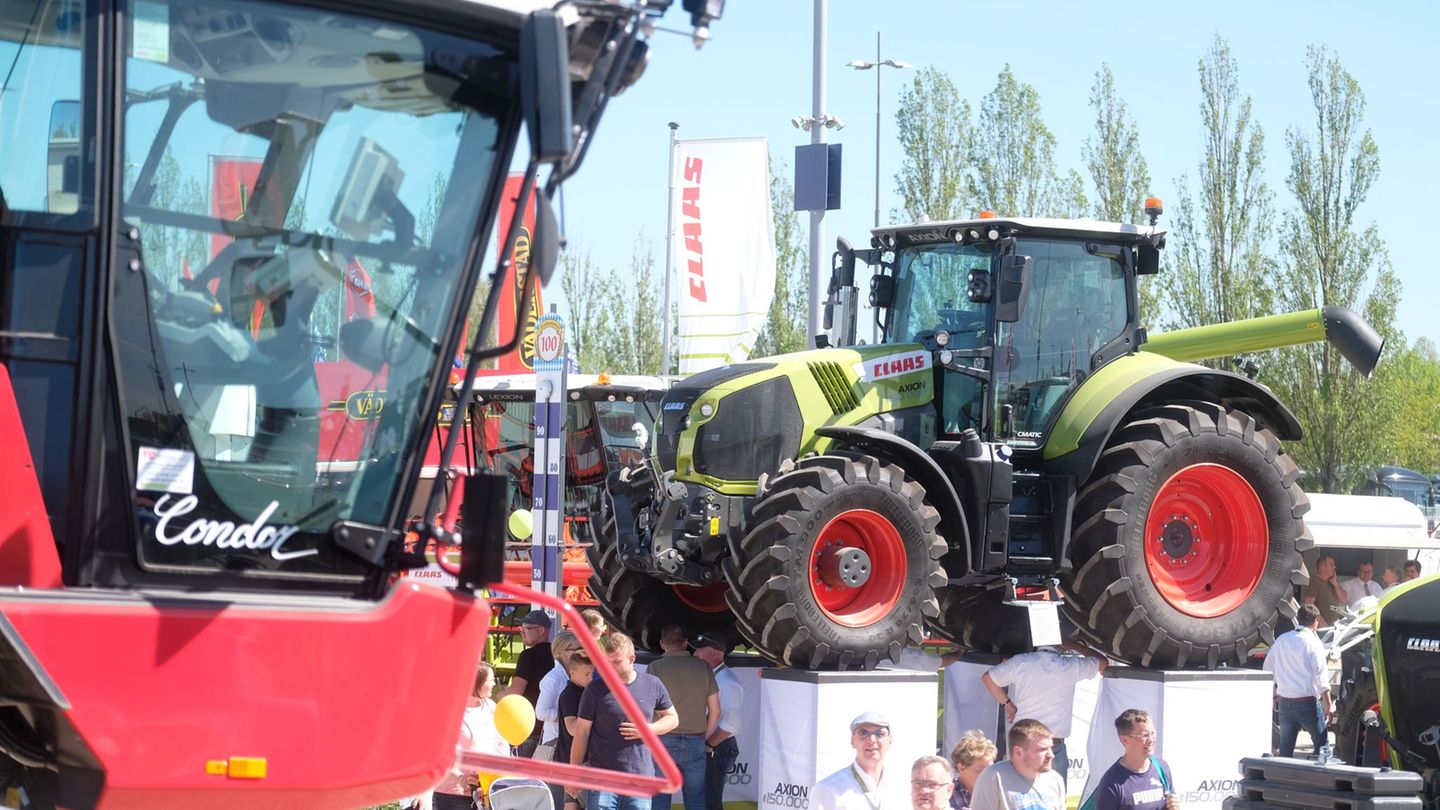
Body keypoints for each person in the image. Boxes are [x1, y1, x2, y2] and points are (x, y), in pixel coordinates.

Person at [568, 632, 678, 810]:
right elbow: (582, 732)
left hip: (639, 779)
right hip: (602, 780)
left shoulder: (652, 684)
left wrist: (648, 729)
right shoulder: (595, 689)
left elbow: (672, 718)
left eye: (616, 662)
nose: (610, 667)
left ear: (632, 658)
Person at [981, 641, 1108, 784]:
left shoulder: (1021, 662)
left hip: (1025, 743)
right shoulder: (1069, 665)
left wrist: (1008, 704)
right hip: (1053, 745)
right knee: (1054, 802)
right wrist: (1074, 645)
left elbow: (988, 678)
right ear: (1060, 645)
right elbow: (1103, 662)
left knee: (1020, 799)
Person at [415, 662, 509, 810]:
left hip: (487, 791)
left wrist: (496, 770)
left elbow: (502, 740)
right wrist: (461, 779)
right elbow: (436, 755)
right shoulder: (448, 712)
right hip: (453, 795)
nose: (494, 683)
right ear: (476, 682)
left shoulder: (491, 707)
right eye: (490, 680)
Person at [646, 625, 719, 810]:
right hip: (695, 741)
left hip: (663, 741)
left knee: (660, 800)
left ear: (663, 645)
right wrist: (704, 736)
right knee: (695, 800)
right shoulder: (703, 667)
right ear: (686, 643)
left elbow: (645, 708)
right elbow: (716, 711)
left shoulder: (655, 667)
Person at [1262, 604, 1331, 760]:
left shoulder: (1281, 640)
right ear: (1316, 621)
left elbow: (1268, 670)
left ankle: (1282, 780)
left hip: (1285, 703)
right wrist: (1328, 704)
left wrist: (1273, 697)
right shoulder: (1314, 643)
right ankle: (1316, 779)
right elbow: (1321, 677)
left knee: (1286, 749)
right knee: (1322, 746)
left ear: (1298, 619)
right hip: (1307, 703)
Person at [1081, 709, 1178, 810]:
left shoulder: (1162, 768)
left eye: (1153, 733)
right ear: (1125, 740)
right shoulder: (1111, 783)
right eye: (1144, 736)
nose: (1151, 740)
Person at [811, 712, 910, 810]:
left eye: (879, 734)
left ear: (890, 741)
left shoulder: (901, 789)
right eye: (864, 733)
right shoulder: (828, 789)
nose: (872, 739)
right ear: (852, 741)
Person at [968, 719, 1065, 810]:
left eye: (1050, 748)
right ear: (1018, 752)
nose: (1051, 755)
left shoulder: (1055, 780)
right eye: (1043, 749)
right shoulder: (994, 777)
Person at [692, 635, 742, 810]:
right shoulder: (716, 677)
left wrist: (709, 744)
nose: (695, 653)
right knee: (706, 798)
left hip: (718, 746)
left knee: (710, 800)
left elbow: (732, 724)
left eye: (699, 650)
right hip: (713, 745)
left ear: (714, 653)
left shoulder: (727, 681)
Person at [499, 609, 555, 757]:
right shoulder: (557, 654)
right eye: (521, 629)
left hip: (527, 730)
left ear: (542, 630)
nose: (522, 632)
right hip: (549, 731)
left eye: (527, 629)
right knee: (542, 776)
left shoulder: (528, 656)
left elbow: (515, 692)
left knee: (523, 777)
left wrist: (501, 694)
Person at [558, 650, 596, 810]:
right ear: (572, 672)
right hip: (573, 762)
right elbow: (572, 727)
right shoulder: (570, 695)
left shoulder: (585, 692)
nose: (591, 678)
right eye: (586, 674)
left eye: (592, 673)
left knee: (572, 805)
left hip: (578, 762)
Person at [536, 631, 580, 761]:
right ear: (562, 653)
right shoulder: (552, 679)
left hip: (569, 741)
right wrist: (567, 716)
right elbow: (541, 712)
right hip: (555, 742)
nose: (581, 653)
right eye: (576, 649)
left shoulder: (573, 675)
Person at [949, 731, 997, 810]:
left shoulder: (995, 791)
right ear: (961, 768)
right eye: (980, 771)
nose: (988, 775)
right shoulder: (947, 793)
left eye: (990, 770)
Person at [1301, 554, 1348, 626]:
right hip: (1324, 628)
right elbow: (1309, 605)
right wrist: (1322, 624)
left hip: (1336, 626)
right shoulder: (1314, 581)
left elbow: (1343, 599)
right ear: (1322, 566)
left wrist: (1335, 584)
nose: (1334, 567)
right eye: (1332, 565)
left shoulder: (1331, 582)